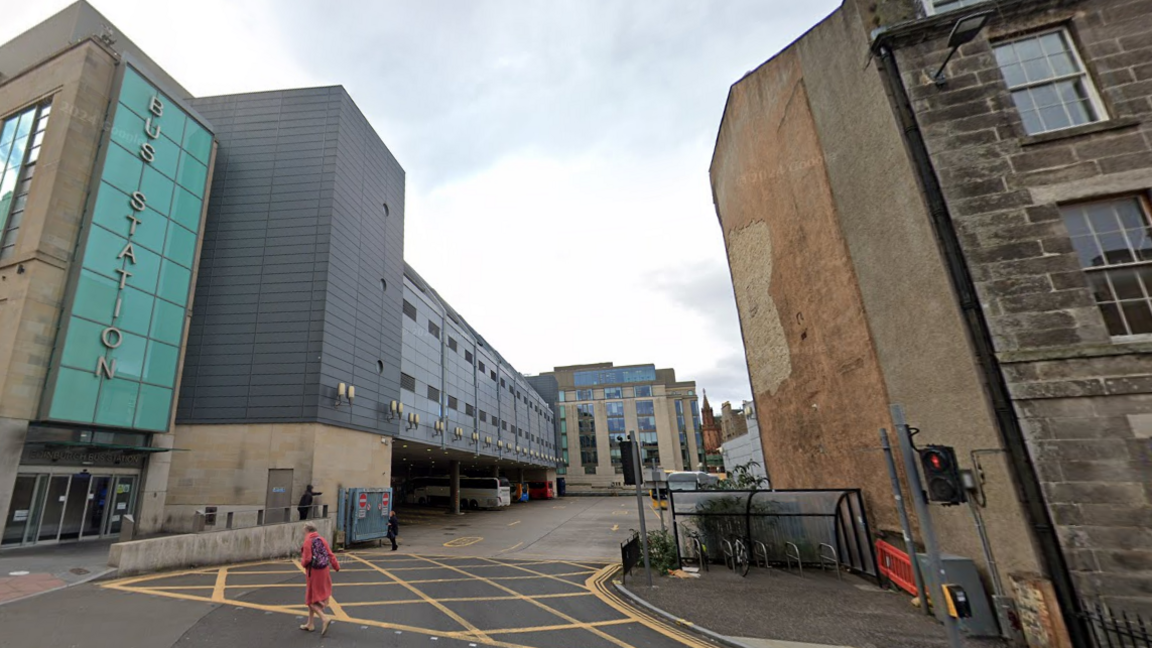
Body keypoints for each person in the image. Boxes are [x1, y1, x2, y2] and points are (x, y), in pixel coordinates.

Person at [300, 522, 340, 635]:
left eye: (304, 531)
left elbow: (307, 559)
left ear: (307, 531)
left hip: (314, 572)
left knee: (310, 599)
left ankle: (324, 618)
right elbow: (330, 554)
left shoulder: (308, 541)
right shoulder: (322, 539)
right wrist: (336, 566)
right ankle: (310, 623)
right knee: (313, 596)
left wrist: (302, 563)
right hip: (324, 570)